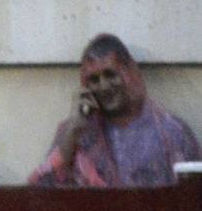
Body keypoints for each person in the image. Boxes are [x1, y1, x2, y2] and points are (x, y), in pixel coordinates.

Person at [28, 33, 200, 187]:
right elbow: (39, 197)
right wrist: (72, 131)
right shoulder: (76, 135)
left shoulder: (171, 132)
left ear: (129, 73)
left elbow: (193, 201)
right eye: (94, 79)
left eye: (110, 75)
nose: (103, 86)